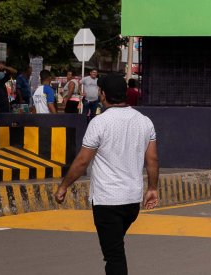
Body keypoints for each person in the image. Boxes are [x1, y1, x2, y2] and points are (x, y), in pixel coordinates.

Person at [55, 74, 158, 275]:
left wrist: (64, 186)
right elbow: (152, 160)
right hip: (132, 201)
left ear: (102, 94)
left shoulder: (99, 123)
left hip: (107, 201)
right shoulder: (145, 122)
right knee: (114, 247)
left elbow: (83, 160)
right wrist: (152, 188)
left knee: (114, 256)